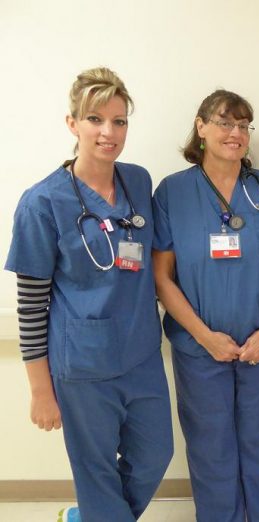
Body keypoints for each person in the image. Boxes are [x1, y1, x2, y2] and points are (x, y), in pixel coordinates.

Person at [4, 67, 173, 522]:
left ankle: (87, 518)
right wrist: (40, 390)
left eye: (119, 121)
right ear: (72, 123)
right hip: (81, 365)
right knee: (96, 474)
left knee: (156, 454)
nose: (108, 132)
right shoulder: (42, 202)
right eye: (96, 119)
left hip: (140, 354)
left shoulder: (138, 181)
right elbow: (30, 306)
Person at [152, 89, 259, 522]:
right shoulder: (172, 193)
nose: (235, 133)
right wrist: (204, 337)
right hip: (200, 348)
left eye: (242, 125)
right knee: (210, 442)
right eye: (224, 122)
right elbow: (161, 275)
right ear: (201, 128)